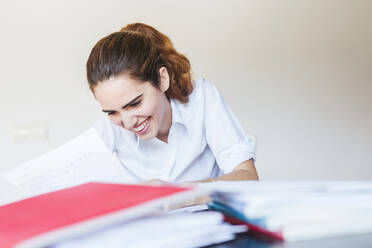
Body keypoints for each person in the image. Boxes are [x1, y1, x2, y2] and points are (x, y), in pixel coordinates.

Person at [87, 23, 258, 191]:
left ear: (162, 79)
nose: (127, 122)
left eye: (135, 103)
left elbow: (247, 176)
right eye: (112, 112)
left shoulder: (202, 99)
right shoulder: (110, 125)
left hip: (206, 216)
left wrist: (177, 193)